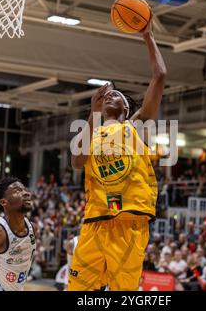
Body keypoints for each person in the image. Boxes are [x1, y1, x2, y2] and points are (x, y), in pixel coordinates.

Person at [68, 21, 167, 291]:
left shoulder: (135, 126)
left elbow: (159, 77)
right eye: (106, 95)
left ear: (126, 107)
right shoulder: (91, 133)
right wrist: (92, 113)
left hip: (129, 222)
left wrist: (147, 35)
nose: (110, 96)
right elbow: (77, 161)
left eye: (117, 95)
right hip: (94, 223)